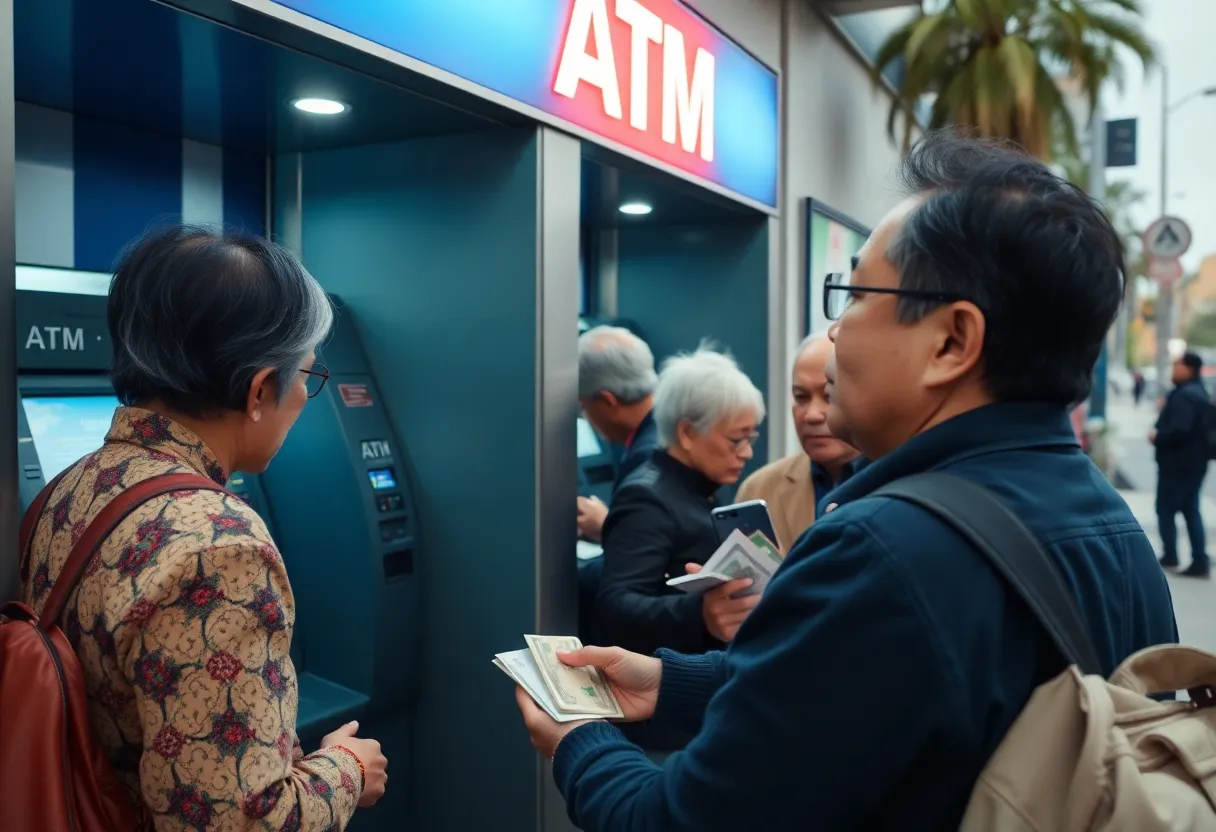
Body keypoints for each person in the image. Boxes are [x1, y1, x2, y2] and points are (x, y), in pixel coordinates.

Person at [513, 131, 1178, 830]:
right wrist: (673, 682)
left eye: (856, 294)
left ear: (953, 341)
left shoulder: (883, 552)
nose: (834, 336)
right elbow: (868, 697)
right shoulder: (1115, 527)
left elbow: (674, 820)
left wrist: (579, 738)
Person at [18, 226, 388, 830]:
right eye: (305, 378)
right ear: (259, 389)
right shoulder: (221, 546)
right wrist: (346, 769)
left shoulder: (70, 488)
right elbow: (240, 822)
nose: (304, 395)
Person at [595, 344, 765, 658]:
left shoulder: (706, 482)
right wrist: (698, 613)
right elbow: (615, 607)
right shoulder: (646, 498)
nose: (747, 452)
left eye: (750, 438)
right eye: (736, 440)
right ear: (686, 432)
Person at [734, 333, 862, 550]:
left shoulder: (903, 484)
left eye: (828, 395)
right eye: (801, 397)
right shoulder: (759, 490)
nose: (812, 415)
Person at [576, 325, 660, 542]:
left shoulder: (646, 459)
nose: (584, 417)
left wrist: (608, 527)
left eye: (583, 407)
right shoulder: (676, 426)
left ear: (607, 402)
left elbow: (643, 556)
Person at [1150, 351, 1211, 577]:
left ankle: (1172, 555)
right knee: (1190, 511)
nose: (1173, 369)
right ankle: (1199, 560)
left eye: (1177, 365)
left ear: (1189, 368)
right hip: (1194, 464)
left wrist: (1157, 436)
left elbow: (1180, 429)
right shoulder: (1199, 392)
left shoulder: (1185, 395)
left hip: (1178, 464)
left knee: (1165, 510)